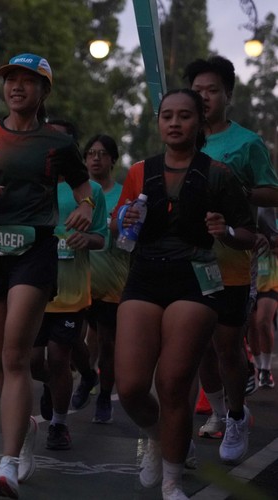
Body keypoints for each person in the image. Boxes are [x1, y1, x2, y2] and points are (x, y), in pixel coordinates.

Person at [0, 53, 94, 498]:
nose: (17, 87)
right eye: (11, 79)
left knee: (15, 355)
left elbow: (82, 187)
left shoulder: (57, 143)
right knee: (1, 356)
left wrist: (86, 207)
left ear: (44, 91)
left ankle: (7, 465)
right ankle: (24, 428)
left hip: (34, 251)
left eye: (28, 81)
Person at [111, 89, 256, 500]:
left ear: (199, 123)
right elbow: (117, 225)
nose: (175, 123)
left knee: (173, 383)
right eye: (167, 116)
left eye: (185, 116)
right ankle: (161, 437)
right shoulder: (140, 171)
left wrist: (225, 231)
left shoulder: (218, 174)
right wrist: (124, 216)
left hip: (195, 277)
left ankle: (172, 481)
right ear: (158, 122)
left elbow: (248, 233)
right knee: (131, 387)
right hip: (145, 275)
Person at [184, 56, 278, 462]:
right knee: (198, 347)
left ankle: (238, 415)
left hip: (233, 259)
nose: (205, 97)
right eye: (198, 90)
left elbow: (272, 193)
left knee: (226, 346)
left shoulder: (247, 143)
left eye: (212, 90)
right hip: (189, 259)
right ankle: (220, 412)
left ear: (228, 96)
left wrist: (237, 189)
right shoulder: (183, 138)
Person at [30, 118, 107, 450]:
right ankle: (57, 384)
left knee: (60, 356)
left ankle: (59, 424)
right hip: (33, 286)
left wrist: (85, 239)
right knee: (35, 362)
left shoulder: (91, 192)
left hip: (72, 291)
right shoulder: (31, 183)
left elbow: (100, 239)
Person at [79, 134, 129, 424]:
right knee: (74, 340)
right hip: (77, 280)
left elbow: (133, 237)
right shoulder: (76, 193)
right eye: (90, 153)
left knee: (107, 342)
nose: (95, 158)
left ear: (113, 160)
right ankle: (87, 376)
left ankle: (104, 396)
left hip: (112, 281)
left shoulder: (124, 195)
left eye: (102, 153)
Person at [248, 207, 278, 389]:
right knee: (251, 327)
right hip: (248, 276)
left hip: (271, 278)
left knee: (263, 322)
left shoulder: (272, 216)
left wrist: (271, 240)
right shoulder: (246, 211)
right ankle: (258, 366)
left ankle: (266, 369)